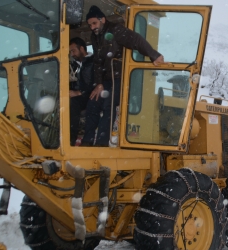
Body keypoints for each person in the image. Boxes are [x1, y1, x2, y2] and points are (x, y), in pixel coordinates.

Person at [81, 5, 165, 146]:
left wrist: (154, 55)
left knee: (109, 106)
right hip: (106, 80)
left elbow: (136, 40)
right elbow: (97, 62)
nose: (92, 27)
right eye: (90, 25)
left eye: (94, 23)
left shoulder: (116, 30)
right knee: (92, 105)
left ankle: (101, 144)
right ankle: (87, 142)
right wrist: (99, 83)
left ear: (103, 19)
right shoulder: (94, 37)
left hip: (120, 78)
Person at [69, 37, 95, 146]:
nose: (72, 54)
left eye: (73, 50)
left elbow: (95, 82)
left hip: (89, 94)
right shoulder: (73, 65)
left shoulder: (92, 62)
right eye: (70, 52)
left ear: (82, 49)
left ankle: (70, 140)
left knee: (72, 104)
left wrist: (79, 92)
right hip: (77, 94)